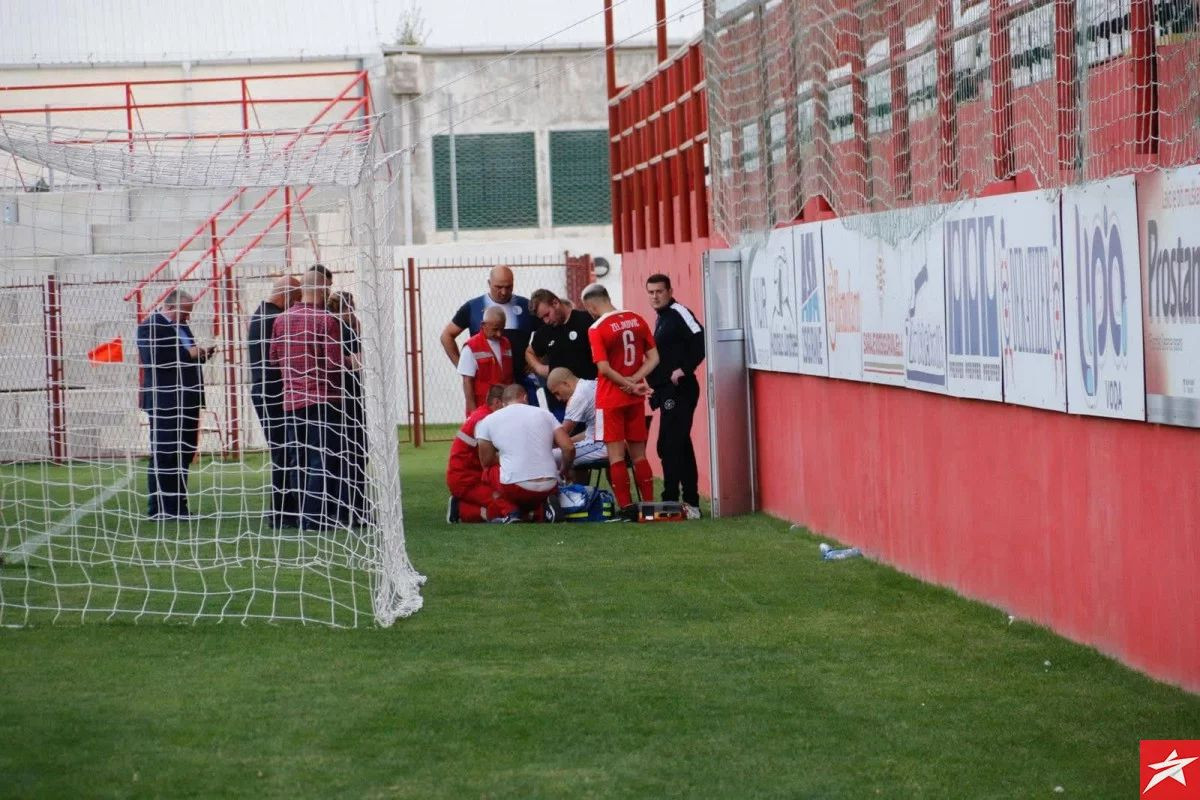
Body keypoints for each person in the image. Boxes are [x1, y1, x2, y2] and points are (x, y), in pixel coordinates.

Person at [270, 267, 357, 532]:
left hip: (291, 400)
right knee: (322, 459)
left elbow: (274, 359)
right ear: (322, 289)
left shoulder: (281, 320)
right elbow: (332, 362)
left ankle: (302, 515)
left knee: (299, 459)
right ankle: (315, 518)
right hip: (322, 399)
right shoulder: (325, 320)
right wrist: (352, 361)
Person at [135, 289, 214, 519]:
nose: (188, 318)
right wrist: (189, 354)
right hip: (166, 401)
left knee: (183, 453)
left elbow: (185, 355)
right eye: (185, 312)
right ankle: (159, 509)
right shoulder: (149, 326)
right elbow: (154, 359)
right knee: (165, 453)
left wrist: (201, 354)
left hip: (187, 399)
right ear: (170, 307)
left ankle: (178, 507)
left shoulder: (182, 326)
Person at [581, 282, 659, 509]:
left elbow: (603, 369)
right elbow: (654, 358)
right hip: (634, 399)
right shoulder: (637, 318)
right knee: (639, 455)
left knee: (616, 457)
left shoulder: (596, 328)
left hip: (611, 398)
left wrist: (627, 384)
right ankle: (649, 505)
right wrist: (635, 381)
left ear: (591, 307)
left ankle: (625, 507)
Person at [646, 274, 706, 518]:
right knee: (677, 444)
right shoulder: (662, 318)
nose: (655, 296)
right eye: (650, 292)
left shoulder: (679, 312)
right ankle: (688, 501)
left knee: (670, 445)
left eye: (659, 291)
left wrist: (685, 369)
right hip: (667, 392)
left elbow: (701, 338)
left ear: (670, 291)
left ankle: (675, 501)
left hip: (682, 390)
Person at [247, 275, 302, 528]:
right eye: (297, 299)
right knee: (285, 451)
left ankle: (284, 511)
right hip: (273, 393)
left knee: (284, 451)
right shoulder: (273, 318)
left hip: (264, 391)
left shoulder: (261, 314)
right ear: (288, 295)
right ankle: (282, 513)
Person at [439, 265, 540, 404]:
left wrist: (538, 360)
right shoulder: (473, 307)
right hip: (488, 387)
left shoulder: (526, 306)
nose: (504, 292)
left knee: (528, 422)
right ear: (489, 283)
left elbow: (549, 333)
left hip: (522, 381)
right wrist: (462, 367)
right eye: (498, 287)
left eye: (509, 287)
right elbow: (446, 336)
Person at [475, 384, 575, 523]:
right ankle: (543, 509)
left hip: (516, 488)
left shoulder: (488, 421)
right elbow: (568, 447)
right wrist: (563, 470)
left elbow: (486, 461)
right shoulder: (545, 414)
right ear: (525, 397)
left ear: (503, 403)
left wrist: (509, 458)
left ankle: (511, 512)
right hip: (550, 485)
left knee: (489, 472)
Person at [328, 290, 370, 526]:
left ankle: (345, 507)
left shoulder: (338, 329)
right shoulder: (343, 331)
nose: (351, 313)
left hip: (340, 399)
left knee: (346, 454)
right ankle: (353, 508)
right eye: (348, 308)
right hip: (348, 398)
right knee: (354, 453)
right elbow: (356, 362)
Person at [526, 289, 597, 419]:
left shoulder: (585, 320)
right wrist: (539, 368)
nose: (546, 320)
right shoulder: (545, 332)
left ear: (555, 303)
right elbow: (529, 352)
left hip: (590, 399)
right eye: (542, 318)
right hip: (561, 403)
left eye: (547, 315)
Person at [445, 384, 507, 524]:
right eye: (507, 405)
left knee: (504, 500)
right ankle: (460, 510)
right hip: (466, 479)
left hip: (468, 476)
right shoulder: (484, 420)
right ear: (497, 402)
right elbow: (487, 457)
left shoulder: (482, 414)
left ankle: (462, 505)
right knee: (504, 503)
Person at [546, 367, 608, 475]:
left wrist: (541, 444)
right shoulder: (591, 384)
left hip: (603, 446)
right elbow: (591, 432)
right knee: (565, 449)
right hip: (609, 443)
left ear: (566, 384)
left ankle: (565, 488)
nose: (558, 399)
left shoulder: (578, 397)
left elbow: (562, 434)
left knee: (548, 457)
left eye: (557, 393)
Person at [457, 305, 512, 418]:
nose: (499, 334)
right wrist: (473, 414)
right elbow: (467, 382)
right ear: (483, 325)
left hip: (504, 405)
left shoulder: (506, 343)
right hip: (483, 406)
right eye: (495, 329)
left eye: (502, 329)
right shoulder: (471, 347)